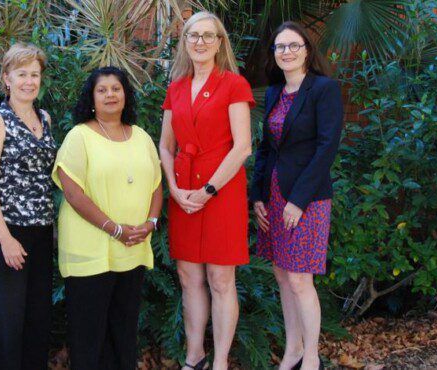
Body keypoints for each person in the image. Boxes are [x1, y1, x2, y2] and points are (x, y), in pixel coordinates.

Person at [159, 11, 254, 370]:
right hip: (183, 191)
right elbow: (165, 145)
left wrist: (210, 189)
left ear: (220, 43)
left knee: (220, 277)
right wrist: (173, 186)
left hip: (222, 190)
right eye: (193, 35)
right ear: (184, 42)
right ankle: (194, 355)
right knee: (189, 277)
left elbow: (242, 146)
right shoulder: (176, 88)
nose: (200, 42)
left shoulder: (233, 84)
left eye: (208, 36)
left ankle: (220, 362)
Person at [52, 66, 163, 370]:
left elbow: (156, 186)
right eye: (102, 90)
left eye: (116, 88)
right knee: (89, 334)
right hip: (91, 252)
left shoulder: (140, 137)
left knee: (123, 330)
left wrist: (150, 224)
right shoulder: (80, 136)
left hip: (132, 249)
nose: (110, 95)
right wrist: (114, 229)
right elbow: (73, 194)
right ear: (92, 98)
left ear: (126, 95)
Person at [250, 21, 344, 370]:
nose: (286, 52)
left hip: (308, 198)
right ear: (274, 54)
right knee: (281, 275)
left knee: (301, 278)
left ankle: (312, 357)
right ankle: (292, 351)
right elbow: (265, 148)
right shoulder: (275, 92)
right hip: (273, 196)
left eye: (293, 45)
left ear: (307, 50)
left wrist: (299, 201)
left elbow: (326, 147)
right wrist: (257, 195)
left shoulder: (324, 89)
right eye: (280, 47)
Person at [0, 42, 56, 369]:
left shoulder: (45, 118)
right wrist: (6, 239)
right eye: (21, 74)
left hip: (42, 231)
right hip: (9, 232)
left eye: (34, 74)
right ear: (6, 78)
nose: (29, 81)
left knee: (37, 318)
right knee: (8, 322)